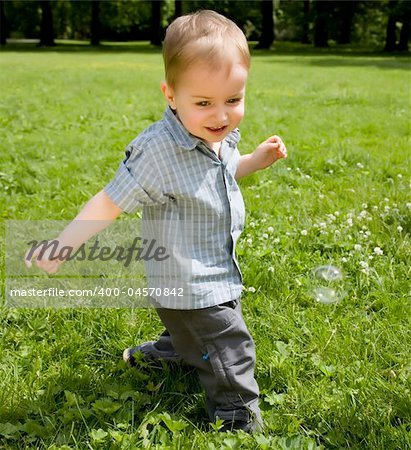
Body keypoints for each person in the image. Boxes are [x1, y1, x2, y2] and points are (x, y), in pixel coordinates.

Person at [26, 10, 287, 432]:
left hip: (211, 269)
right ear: (170, 95)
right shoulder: (158, 152)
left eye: (233, 100)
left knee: (199, 326)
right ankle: (237, 419)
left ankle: (166, 353)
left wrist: (256, 160)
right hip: (189, 280)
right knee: (228, 344)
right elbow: (109, 203)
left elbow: (217, 174)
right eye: (204, 102)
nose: (221, 115)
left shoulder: (212, 133)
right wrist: (63, 244)